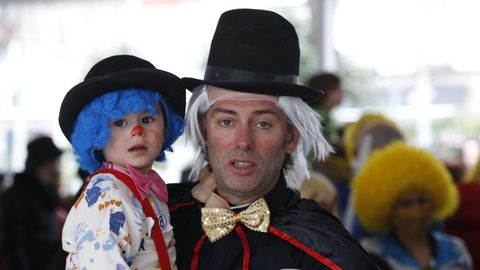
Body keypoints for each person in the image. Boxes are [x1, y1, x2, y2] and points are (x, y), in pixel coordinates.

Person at [168, 8, 378, 270]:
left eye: (263, 123)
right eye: (226, 122)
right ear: (203, 129)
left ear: (291, 137)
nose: (243, 141)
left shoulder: (326, 251)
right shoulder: (154, 219)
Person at [58, 55, 185, 269]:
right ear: (96, 135)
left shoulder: (141, 188)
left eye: (146, 119)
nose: (137, 132)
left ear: (165, 128)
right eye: (119, 122)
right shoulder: (109, 196)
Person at [352, 142, 473, 270]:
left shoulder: (455, 250)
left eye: (422, 201)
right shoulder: (372, 254)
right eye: (406, 204)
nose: (416, 212)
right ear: (388, 210)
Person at [0, 135, 63, 270]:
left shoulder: (44, 195)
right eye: (54, 161)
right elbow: (12, 247)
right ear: (41, 164)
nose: (57, 167)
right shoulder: (15, 197)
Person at [306, 72, 344, 145]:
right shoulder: (320, 115)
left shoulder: (320, 112)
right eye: (338, 89)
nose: (342, 92)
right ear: (327, 91)